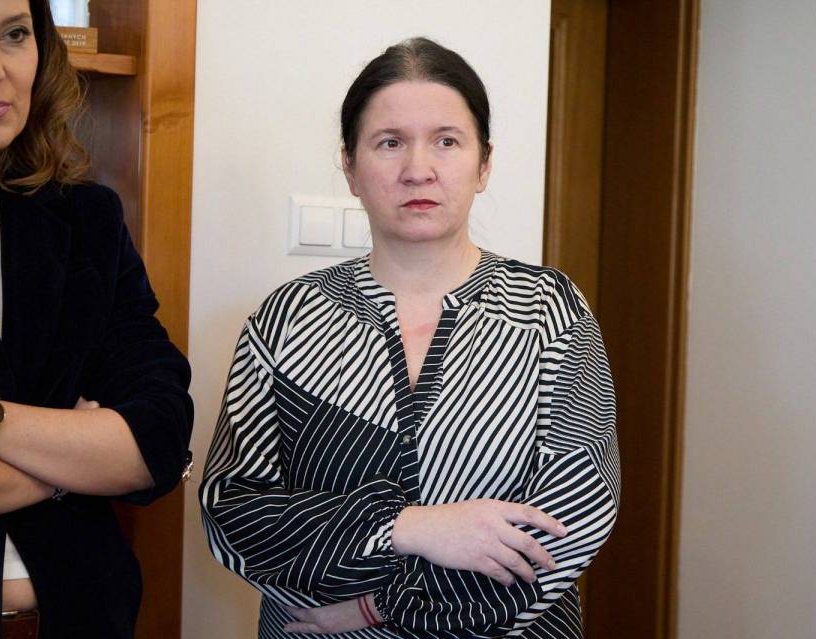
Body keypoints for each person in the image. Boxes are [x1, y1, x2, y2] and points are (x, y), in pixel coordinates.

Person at [200, 37, 619, 638]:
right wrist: (409, 528)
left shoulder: (550, 310)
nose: (418, 169)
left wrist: (381, 606)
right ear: (350, 167)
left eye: (447, 141)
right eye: (390, 142)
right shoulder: (287, 319)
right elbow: (233, 510)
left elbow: (577, 513)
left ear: (484, 164)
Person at [0, 1, 194, 637]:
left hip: (83, 617)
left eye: (14, 34)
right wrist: (73, 460)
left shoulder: (87, 219)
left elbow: (159, 437)